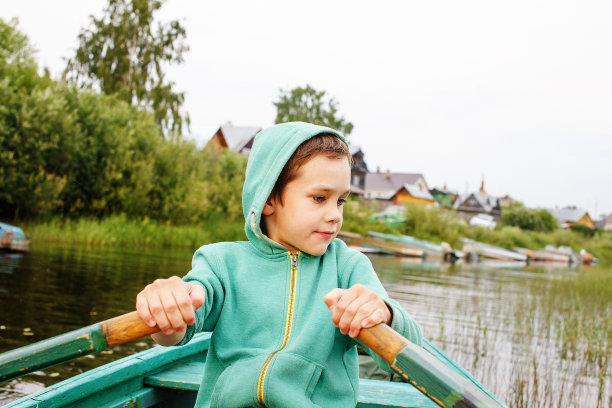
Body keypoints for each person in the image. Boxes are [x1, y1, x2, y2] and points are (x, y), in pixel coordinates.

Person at [136, 122, 423, 407]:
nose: (335, 214)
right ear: (269, 199)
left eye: (341, 201)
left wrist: (383, 314)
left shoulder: (348, 267)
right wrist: (166, 309)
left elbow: (411, 352)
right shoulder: (221, 263)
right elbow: (171, 334)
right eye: (320, 198)